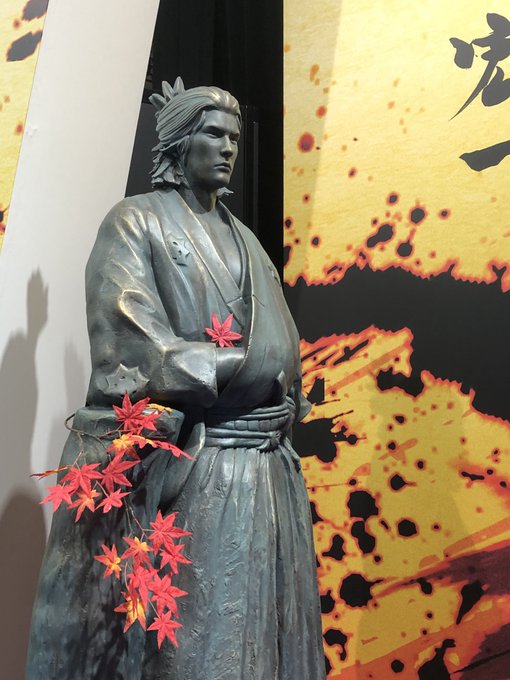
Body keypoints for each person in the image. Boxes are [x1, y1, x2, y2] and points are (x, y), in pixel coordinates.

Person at [27, 78, 325, 679]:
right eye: (213, 133)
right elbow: (130, 349)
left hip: (266, 468)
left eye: (234, 137)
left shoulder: (248, 241)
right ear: (179, 141)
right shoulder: (134, 222)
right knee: (198, 641)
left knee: (265, 640)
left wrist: (279, 383)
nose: (228, 148)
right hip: (199, 468)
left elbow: (284, 349)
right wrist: (245, 367)